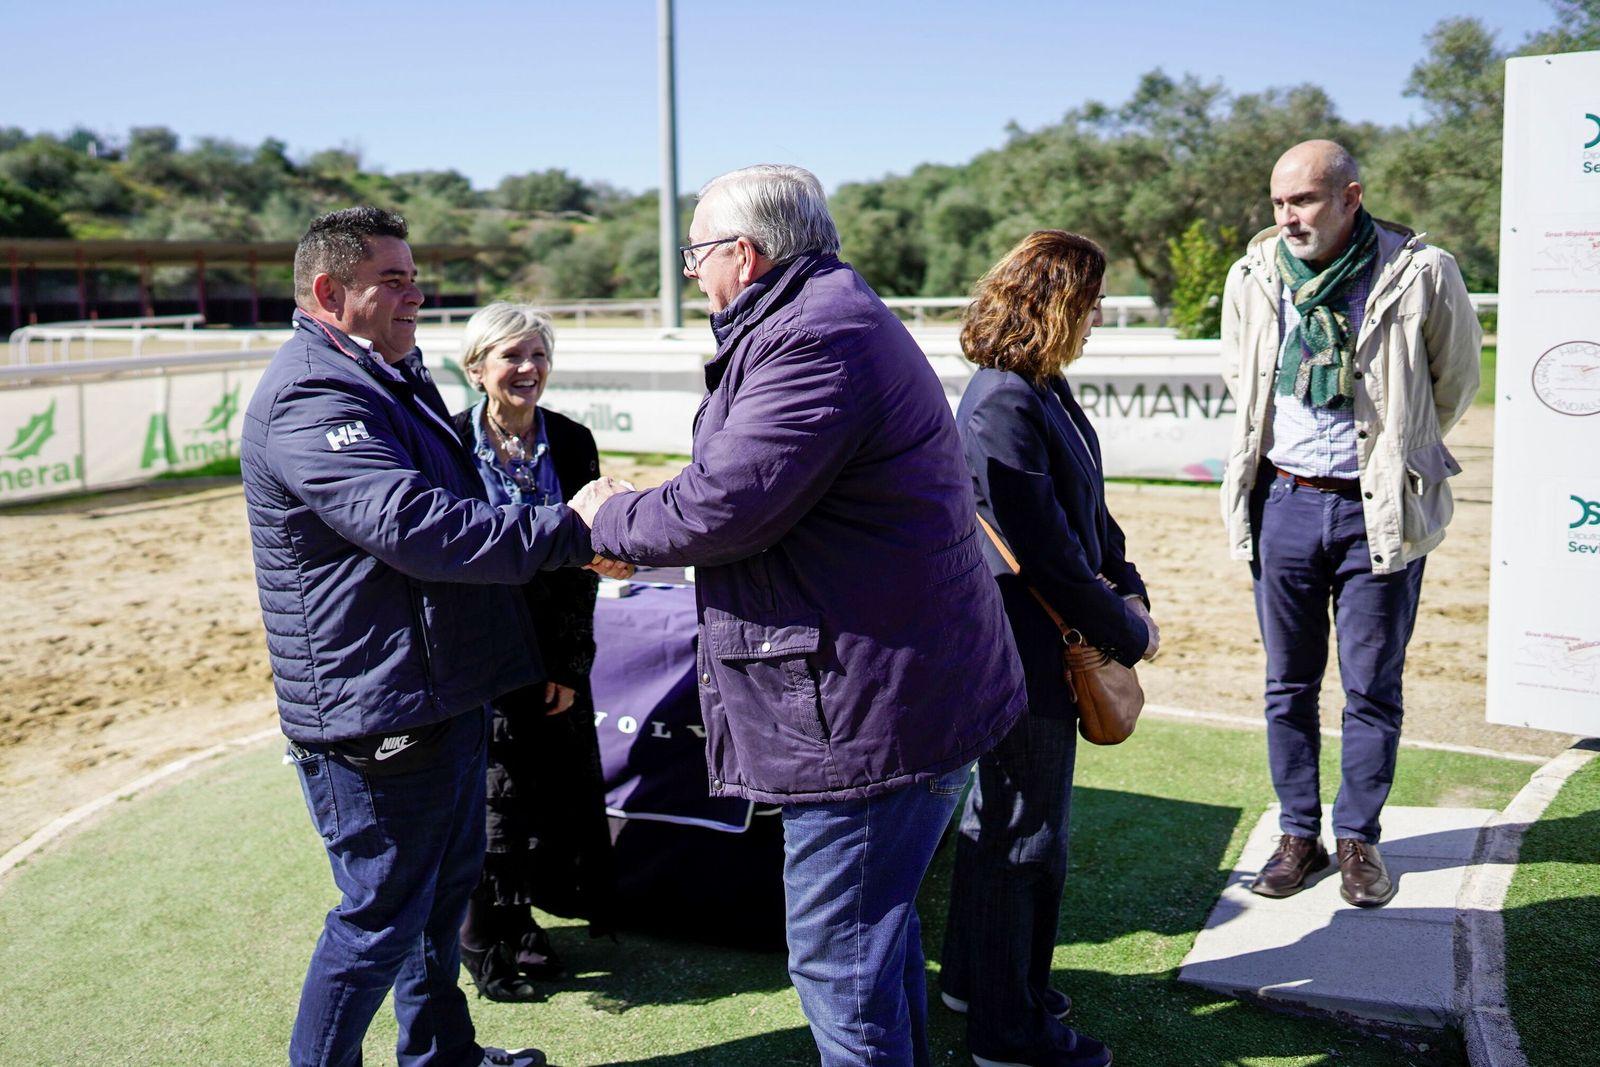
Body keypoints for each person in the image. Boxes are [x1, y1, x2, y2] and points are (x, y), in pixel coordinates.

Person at [571, 163, 1027, 1067]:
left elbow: (725, 506)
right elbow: (750, 486)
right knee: (873, 943)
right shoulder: (825, 317)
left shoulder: (814, 336)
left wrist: (607, 516)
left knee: (838, 964)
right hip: (888, 693)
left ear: (743, 255)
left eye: (697, 255)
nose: (693, 273)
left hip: (866, 715)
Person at [241, 206, 628, 1067]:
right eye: (394, 280)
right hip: (376, 706)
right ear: (328, 290)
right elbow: (418, 527)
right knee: (380, 915)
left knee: (443, 894)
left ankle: (443, 1054)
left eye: (416, 277)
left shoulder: (386, 371)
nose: (416, 294)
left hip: (439, 688)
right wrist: (573, 529)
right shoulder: (312, 393)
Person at [1219, 140, 1481, 907]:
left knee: (1371, 685)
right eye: (1279, 202)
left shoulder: (1422, 271)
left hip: (1379, 507)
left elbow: (1455, 381)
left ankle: (1358, 837)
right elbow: (1242, 377)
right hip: (1285, 502)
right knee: (1288, 683)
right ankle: (1298, 834)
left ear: (1350, 197)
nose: (1288, 216)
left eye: (1303, 200)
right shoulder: (1254, 275)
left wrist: (1396, 451)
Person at [940, 231, 1154, 1067]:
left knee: (1004, 822)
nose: (1098, 317)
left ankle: (981, 984)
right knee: (1026, 835)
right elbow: (1043, 550)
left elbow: (1089, 513)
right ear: (1055, 302)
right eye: (1091, 301)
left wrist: (1129, 585)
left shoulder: (1039, 385)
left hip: (1037, 637)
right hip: (1020, 649)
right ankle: (1010, 1029)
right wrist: (1125, 629)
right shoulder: (1002, 400)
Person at [449, 303, 617, 1001]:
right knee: (490, 799)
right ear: (476, 368)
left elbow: (587, 559)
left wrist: (569, 665)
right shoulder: (447, 441)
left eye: (538, 355)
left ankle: (520, 923)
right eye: (512, 356)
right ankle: (479, 938)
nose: (528, 368)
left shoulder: (573, 441)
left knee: (546, 795)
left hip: (550, 648)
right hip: (475, 651)